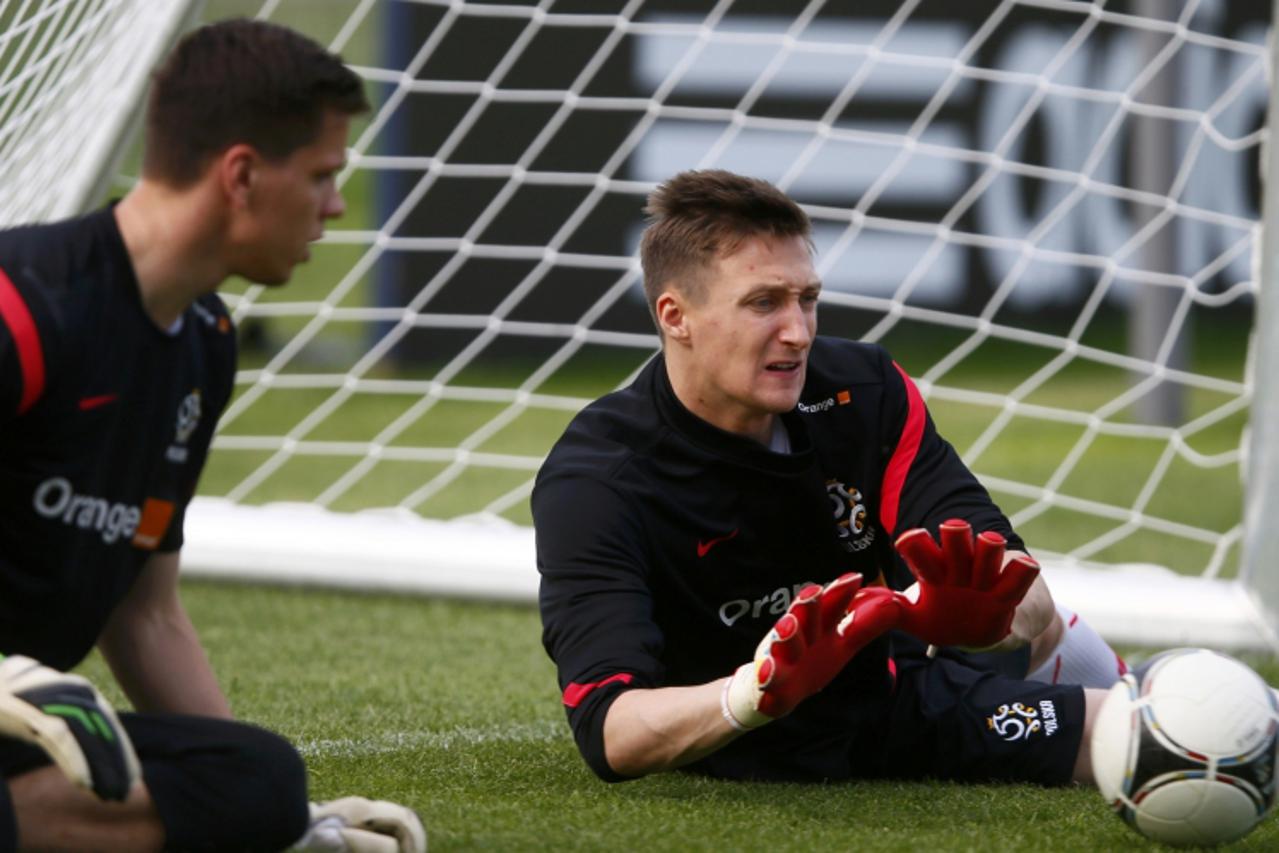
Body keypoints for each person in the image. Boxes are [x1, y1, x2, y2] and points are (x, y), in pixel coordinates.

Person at [533, 169, 1127, 786]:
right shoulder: (598, 481)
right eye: (764, 302)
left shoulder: (861, 392)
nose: (799, 331)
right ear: (675, 315)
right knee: (1158, 739)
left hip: (898, 691)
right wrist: (753, 694)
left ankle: (1138, 686)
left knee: (1147, 725)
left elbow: (1017, 582)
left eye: (807, 299)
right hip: (750, 740)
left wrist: (989, 623)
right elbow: (612, 731)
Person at [0, 19, 423, 853]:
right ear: (240, 174)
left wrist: (285, 823)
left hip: (26, 727)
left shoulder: (204, 340)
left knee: (257, 777)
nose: (336, 207)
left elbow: (146, 612)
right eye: (321, 176)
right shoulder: (24, 306)